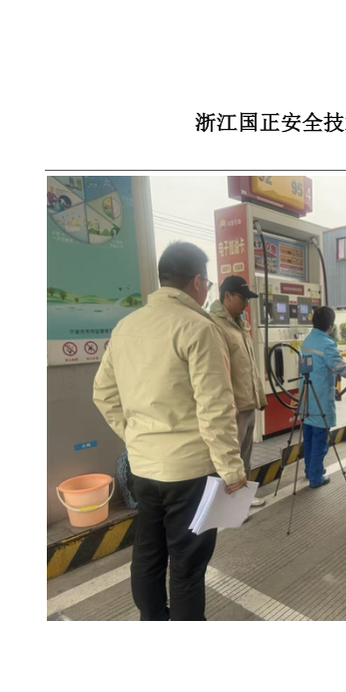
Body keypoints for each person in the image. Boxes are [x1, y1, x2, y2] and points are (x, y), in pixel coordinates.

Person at [92, 242, 245, 621]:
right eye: (207, 283)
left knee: (148, 552)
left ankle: (153, 621)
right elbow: (215, 409)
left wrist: (135, 437)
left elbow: (103, 393)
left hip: (144, 468)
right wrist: (232, 470)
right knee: (187, 564)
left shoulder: (126, 327)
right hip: (190, 473)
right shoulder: (199, 328)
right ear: (197, 282)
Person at [208, 275, 267, 475]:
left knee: (245, 461)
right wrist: (227, 408)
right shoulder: (215, 326)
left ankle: (245, 492)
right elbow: (216, 373)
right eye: (243, 298)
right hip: (233, 409)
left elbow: (248, 366)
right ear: (227, 296)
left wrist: (258, 397)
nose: (247, 304)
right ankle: (233, 494)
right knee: (231, 463)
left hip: (248, 404)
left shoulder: (240, 325)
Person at [297, 306, 346, 490]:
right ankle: (316, 477)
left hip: (307, 399)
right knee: (320, 441)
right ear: (331, 325)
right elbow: (342, 369)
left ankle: (310, 470)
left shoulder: (308, 340)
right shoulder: (327, 344)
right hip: (320, 399)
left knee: (309, 438)